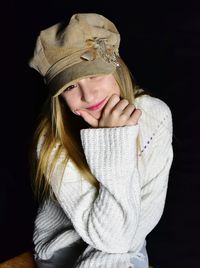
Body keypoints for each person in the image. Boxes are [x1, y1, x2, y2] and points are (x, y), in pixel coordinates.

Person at [28, 13, 173, 268]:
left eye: (94, 74)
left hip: (130, 247)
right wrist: (113, 140)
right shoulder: (51, 141)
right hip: (62, 250)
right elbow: (112, 238)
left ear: (116, 66)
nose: (88, 94)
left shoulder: (155, 116)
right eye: (70, 87)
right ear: (59, 97)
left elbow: (135, 227)